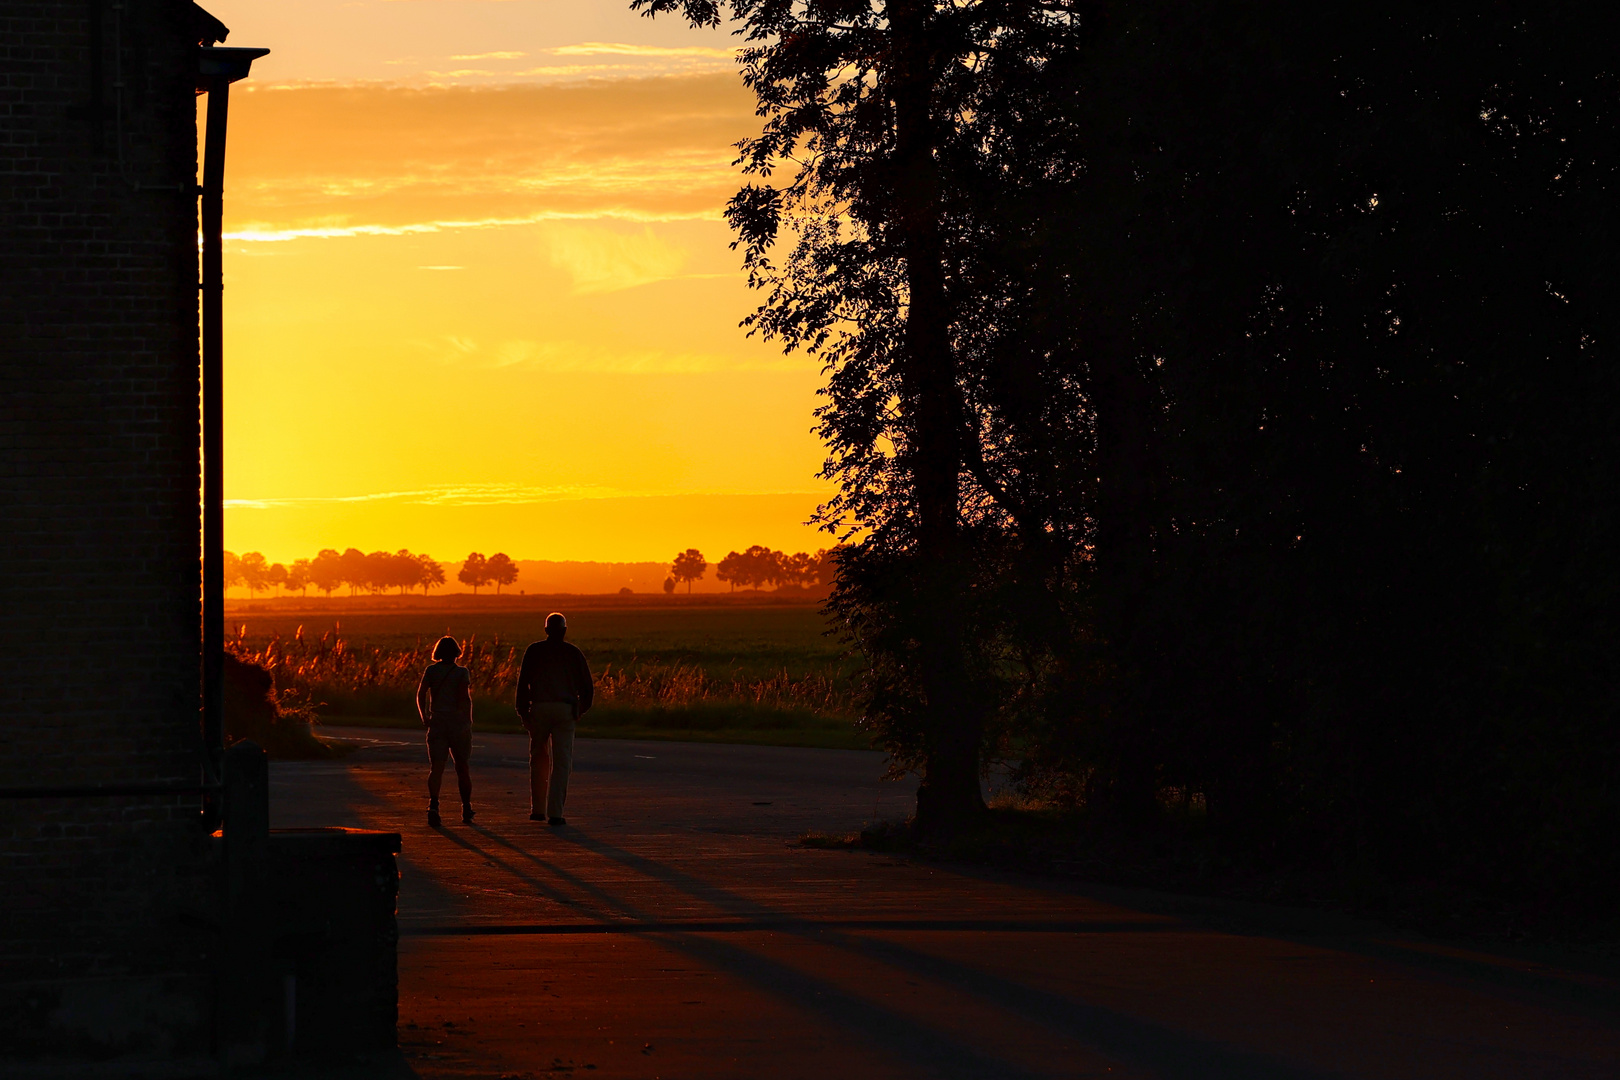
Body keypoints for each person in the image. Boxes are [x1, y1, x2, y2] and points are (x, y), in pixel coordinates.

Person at [514, 612, 593, 825]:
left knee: (538, 759)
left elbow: (523, 684)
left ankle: (537, 809)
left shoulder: (534, 651)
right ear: (565, 631)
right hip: (565, 710)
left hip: (539, 708)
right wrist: (580, 711)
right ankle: (556, 813)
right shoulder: (573, 653)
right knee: (562, 762)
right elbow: (587, 687)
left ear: (546, 630)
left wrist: (523, 713)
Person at [416, 635, 474, 827]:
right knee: (462, 767)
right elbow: (465, 699)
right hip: (457, 724)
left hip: (438, 722)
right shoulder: (462, 673)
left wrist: (424, 716)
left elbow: (421, 693)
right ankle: (466, 807)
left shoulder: (431, 671)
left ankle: (433, 805)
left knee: (437, 768)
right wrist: (468, 721)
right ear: (457, 652)